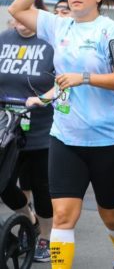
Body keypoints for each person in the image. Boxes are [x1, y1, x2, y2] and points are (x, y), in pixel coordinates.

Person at [8, 0, 114, 268]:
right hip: (66, 137)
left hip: (110, 140)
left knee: (112, 214)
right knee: (64, 216)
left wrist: (85, 77)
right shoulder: (58, 25)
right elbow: (17, 8)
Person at [0, 17, 55, 262]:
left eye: (25, 17)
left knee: (42, 187)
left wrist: (43, 99)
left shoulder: (51, 42)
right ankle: (28, 218)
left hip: (42, 128)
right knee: (4, 183)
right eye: (15, 18)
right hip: (7, 127)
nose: (19, 22)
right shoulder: (4, 40)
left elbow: (64, 83)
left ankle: (45, 237)